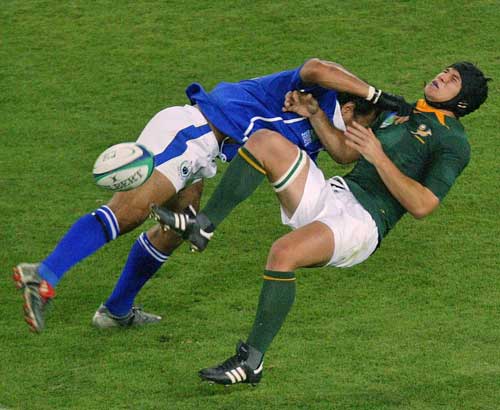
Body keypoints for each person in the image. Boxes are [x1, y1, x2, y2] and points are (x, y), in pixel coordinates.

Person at [13, 58, 408, 333]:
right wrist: (376, 93)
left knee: (176, 229)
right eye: (367, 127)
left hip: (205, 152)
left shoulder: (318, 129)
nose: (362, 138)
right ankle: (43, 275)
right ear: (352, 109)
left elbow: (343, 154)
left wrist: (320, 117)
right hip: (191, 130)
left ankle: (116, 311)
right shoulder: (316, 89)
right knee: (129, 211)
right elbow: (318, 66)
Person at [153, 62, 490, 385]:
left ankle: (251, 361)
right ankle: (202, 225)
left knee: (283, 253)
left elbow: (422, 205)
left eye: (453, 80)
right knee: (264, 142)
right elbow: (344, 153)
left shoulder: (453, 143)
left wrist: (378, 156)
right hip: (336, 193)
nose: (442, 77)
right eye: (445, 71)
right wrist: (315, 114)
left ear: (461, 102)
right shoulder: (400, 111)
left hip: (363, 222)